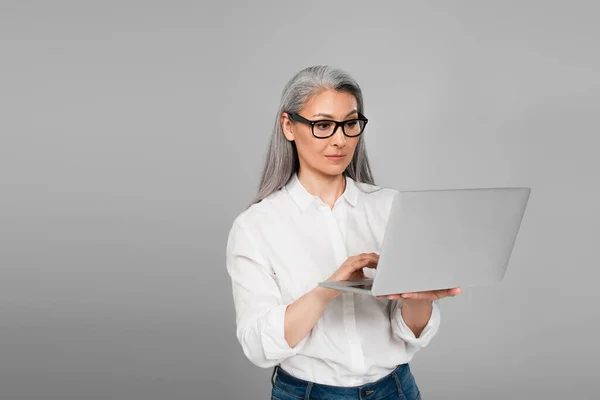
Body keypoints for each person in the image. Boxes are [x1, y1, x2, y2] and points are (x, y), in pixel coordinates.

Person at [225, 65, 461, 400]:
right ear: (288, 126)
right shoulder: (256, 227)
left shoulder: (392, 207)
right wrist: (327, 290)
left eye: (350, 124)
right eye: (323, 125)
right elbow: (257, 345)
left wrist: (418, 300)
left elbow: (409, 332)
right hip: (307, 393)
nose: (340, 139)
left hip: (394, 390)